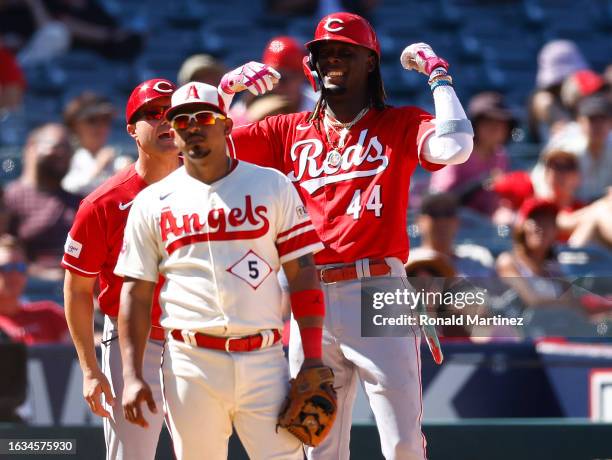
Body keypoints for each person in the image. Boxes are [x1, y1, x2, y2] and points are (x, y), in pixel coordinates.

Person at [222, 12, 474, 459]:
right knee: (316, 447)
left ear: (370, 62)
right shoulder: (288, 130)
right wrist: (225, 94)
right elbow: (207, 155)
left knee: (401, 445)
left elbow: (456, 145)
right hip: (310, 296)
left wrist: (439, 75)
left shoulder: (398, 123)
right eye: (324, 52)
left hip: (377, 288)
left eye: (345, 51)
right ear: (311, 64)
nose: (333, 59)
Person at [114, 82, 328, 460]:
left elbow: (303, 273)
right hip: (189, 363)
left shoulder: (271, 184)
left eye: (205, 117)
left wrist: (311, 356)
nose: (193, 125)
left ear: (227, 126)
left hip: (264, 359)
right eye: (181, 119)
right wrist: (132, 375)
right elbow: (135, 290)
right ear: (173, 131)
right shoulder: (150, 202)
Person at [62, 78, 179, 460]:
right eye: (152, 113)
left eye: (172, 113)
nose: (165, 121)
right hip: (134, 343)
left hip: (199, 337)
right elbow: (78, 289)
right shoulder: (103, 203)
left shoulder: (212, 185)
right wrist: (90, 370)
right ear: (131, 129)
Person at [4, 123, 79, 279]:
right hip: (23, 291)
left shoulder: (78, 202)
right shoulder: (9, 197)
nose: (63, 154)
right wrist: (34, 271)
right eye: (57, 146)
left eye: (68, 149)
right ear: (32, 148)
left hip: (70, 288)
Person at [429, 91, 515, 216]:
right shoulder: (457, 151)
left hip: (485, 225)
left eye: (502, 123)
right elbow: (440, 201)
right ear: (475, 124)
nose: (496, 128)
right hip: (452, 224)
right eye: (489, 121)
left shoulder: (501, 156)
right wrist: (480, 184)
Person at [0, 234, 69, 345]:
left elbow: (82, 347)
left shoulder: (49, 314)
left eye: (20, 268)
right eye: (6, 268)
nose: (14, 275)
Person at [412, 193, 494, 277]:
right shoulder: (407, 262)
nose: (442, 221)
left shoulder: (479, 257)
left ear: (457, 221)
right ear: (419, 221)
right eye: (435, 213)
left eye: (448, 213)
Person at [62, 92, 120, 195]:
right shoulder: (64, 156)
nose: (100, 126)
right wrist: (98, 168)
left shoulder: (117, 160)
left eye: (105, 119)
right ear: (74, 125)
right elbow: (67, 189)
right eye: (91, 120)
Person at [262, 36, 318, 114]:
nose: (275, 87)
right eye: (269, 79)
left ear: (301, 77)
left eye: (282, 79)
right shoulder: (250, 102)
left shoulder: (320, 108)